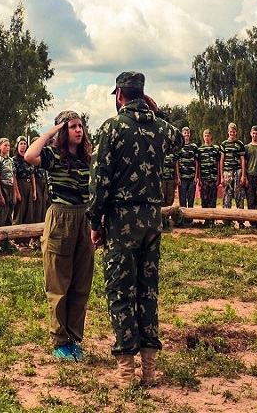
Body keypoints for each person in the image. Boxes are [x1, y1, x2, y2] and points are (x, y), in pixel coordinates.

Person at [89, 71, 183, 388]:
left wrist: (95, 223)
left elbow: (99, 181)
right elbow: (180, 139)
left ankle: (127, 372)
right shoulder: (159, 127)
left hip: (121, 221)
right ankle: (151, 369)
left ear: (119, 95)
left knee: (120, 292)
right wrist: (158, 112)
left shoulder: (111, 128)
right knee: (147, 291)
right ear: (143, 95)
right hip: (152, 219)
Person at [25, 111, 94, 362]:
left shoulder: (88, 157)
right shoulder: (53, 156)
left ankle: (74, 338)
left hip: (84, 218)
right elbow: (29, 155)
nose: (78, 130)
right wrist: (53, 132)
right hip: (60, 218)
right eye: (72, 127)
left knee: (81, 283)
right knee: (59, 282)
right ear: (63, 131)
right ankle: (60, 341)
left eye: (80, 126)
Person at [12, 136, 36, 249]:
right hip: (20, 185)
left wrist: (34, 191)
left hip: (29, 186)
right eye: (21, 143)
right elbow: (14, 177)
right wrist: (17, 192)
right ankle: (18, 240)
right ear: (17, 146)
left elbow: (32, 175)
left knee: (29, 213)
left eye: (24, 144)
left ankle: (26, 240)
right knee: (19, 213)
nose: (23, 146)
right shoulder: (15, 160)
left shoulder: (28, 158)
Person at [219, 123, 245, 210]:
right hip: (227, 171)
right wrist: (222, 177)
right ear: (228, 132)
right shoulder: (224, 144)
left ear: (236, 132)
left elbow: (242, 160)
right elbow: (221, 160)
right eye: (231, 131)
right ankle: (226, 221)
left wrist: (243, 175)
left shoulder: (240, 144)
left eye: (233, 131)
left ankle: (240, 220)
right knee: (227, 194)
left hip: (237, 170)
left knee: (239, 194)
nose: (232, 133)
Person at [195, 129, 221, 214]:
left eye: (208, 136)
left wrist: (218, 178)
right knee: (204, 200)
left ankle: (212, 220)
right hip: (204, 179)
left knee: (213, 200)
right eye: (205, 136)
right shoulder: (200, 150)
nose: (206, 137)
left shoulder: (216, 149)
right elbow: (198, 165)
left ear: (211, 137)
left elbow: (218, 163)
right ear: (203, 137)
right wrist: (199, 178)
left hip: (213, 178)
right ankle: (206, 219)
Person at [175, 127, 198, 208]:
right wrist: (178, 177)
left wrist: (196, 177)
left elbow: (196, 162)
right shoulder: (179, 147)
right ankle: (182, 219)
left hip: (192, 178)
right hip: (182, 178)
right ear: (182, 134)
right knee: (182, 200)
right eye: (185, 133)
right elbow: (177, 162)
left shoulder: (194, 147)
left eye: (188, 133)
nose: (186, 135)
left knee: (191, 199)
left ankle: (190, 219)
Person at [0, 138, 15, 227]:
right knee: (1, 213)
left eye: (8, 145)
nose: (7, 148)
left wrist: (14, 192)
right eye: (5, 145)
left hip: (10, 187)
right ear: (0, 147)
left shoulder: (11, 160)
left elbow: (13, 176)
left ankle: (8, 237)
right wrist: (0, 195)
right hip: (3, 187)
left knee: (9, 212)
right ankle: (0, 237)